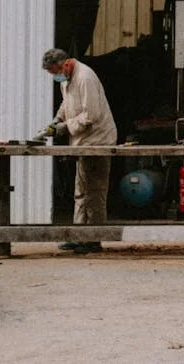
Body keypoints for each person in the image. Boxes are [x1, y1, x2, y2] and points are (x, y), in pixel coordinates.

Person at [36, 48, 117, 254]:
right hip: (83, 141)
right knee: (81, 191)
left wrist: (64, 128)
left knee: (95, 192)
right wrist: (56, 121)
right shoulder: (67, 79)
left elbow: (91, 115)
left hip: (98, 141)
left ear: (65, 64)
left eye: (55, 72)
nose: (55, 76)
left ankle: (93, 238)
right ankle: (78, 235)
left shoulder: (85, 77)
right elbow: (67, 104)